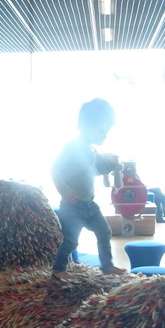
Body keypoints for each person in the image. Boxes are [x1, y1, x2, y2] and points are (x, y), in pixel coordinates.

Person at [50, 98, 127, 282]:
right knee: (71, 240)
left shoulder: (92, 152)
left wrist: (114, 166)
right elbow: (55, 169)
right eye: (102, 130)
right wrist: (64, 190)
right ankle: (58, 268)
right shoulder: (71, 148)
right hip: (72, 207)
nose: (105, 135)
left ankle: (106, 265)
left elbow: (101, 170)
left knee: (104, 232)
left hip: (89, 205)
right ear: (87, 125)